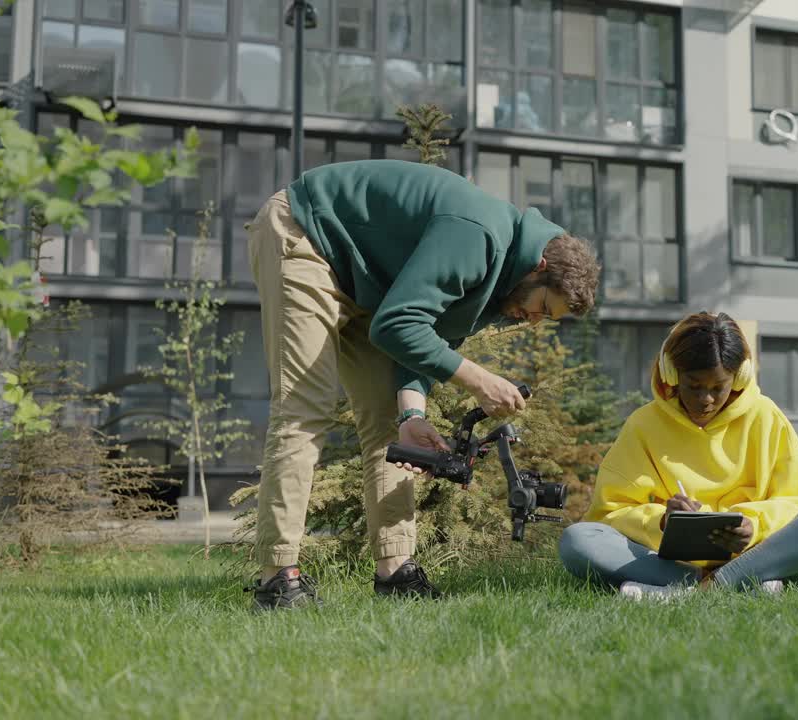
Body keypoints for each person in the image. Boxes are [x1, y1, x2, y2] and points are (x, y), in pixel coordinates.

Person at [245, 159, 600, 610]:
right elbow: (395, 326)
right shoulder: (479, 236)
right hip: (307, 235)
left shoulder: (503, 287)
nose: (533, 322)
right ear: (540, 266)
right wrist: (478, 379)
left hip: (366, 281)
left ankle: (395, 572)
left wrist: (412, 415)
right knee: (305, 408)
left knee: (390, 430)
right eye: (542, 309)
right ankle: (278, 579)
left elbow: (422, 340)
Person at [560, 312, 798, 599]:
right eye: (694, 386)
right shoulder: (643, 424)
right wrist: (661, 521)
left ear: (739, 378)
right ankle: (738, 586)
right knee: (577, 540)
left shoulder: (767, 417)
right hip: (668, 561)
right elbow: (609, 513)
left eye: (718, 387)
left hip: (754, 554)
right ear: (671, 374)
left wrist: (754, 526)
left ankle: (695, 590)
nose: (706, 400)